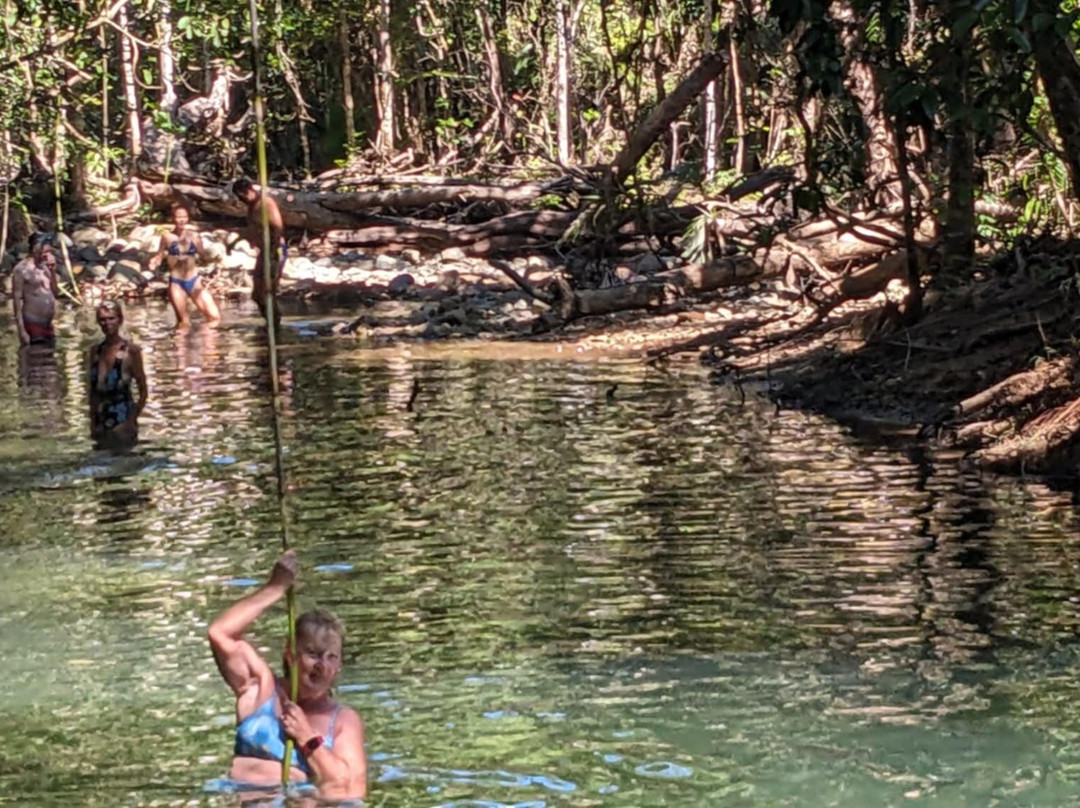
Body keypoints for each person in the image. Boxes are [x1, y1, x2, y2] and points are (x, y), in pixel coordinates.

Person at [207, 551, 367, 800]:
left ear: (339, 665)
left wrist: (307, 738)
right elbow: (220, 634)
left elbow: (347, 788)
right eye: (312, 654)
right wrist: (275, 588)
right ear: (290, 655)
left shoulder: (343, 721)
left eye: (331, 657)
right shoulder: (261, 688)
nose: (321, 666)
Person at [148, 204, 221, 328]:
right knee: (184, 322)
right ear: (173, 218)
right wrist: (154, 261)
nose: (181, 220)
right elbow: (159, 255)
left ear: (188, 218)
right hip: (176, 282)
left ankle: (204, 339)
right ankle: (182, 345)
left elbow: (203, 255)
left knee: (214, 317)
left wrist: (215, 260)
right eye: (178, 217)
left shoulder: (194, 236)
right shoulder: (167, 237)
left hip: (194, 280)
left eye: (184, 217)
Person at [87, 300, 147, 446]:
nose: (107, 323)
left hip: (123, 421)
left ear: (120, 320)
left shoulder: (131, 351)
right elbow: (93, 392)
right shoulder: (95, 352)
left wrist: (130, 421)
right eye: (102, 319)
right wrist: (93, 421)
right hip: (100, 422)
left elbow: (143, 391)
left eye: (111, 318)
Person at [233, 177, 286, 324]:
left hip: (274, 251)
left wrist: (273, 251)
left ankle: (274, 324)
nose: (240, 200)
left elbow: (278, 226)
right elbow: (253, 229)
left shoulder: (265, 203)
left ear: (248, 191)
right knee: (257, 295)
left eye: (241, 196)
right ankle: (271, 322)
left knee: (268, 291)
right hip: (263, 252)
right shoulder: (252, 207)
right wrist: (235, 242)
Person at [12, 233, 59, 345]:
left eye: (49, 252)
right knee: (34, 357)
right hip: (32, 322)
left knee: (50, 359)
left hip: (48, 324)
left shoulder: (45, 267)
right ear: (35, 249)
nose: (47, 255)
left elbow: (55, 292)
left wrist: (52, 271)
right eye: (45, 252)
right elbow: (16, 301)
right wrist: (22, 331)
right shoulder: (21, 269)